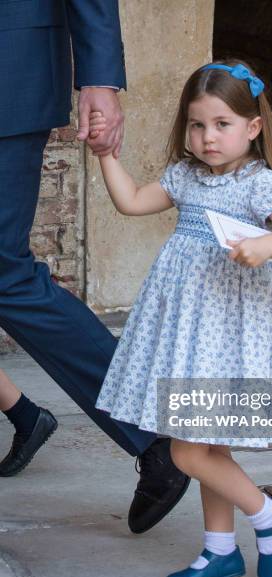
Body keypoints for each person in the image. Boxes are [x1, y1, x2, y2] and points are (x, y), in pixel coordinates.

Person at [90, 58, 272, 577]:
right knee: (210, 446)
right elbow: (132, 202)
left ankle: (268, 516)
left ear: (252, 128)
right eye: (197, 125)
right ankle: (220, 552)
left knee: (187, 449)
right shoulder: (186, 177)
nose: (208, 137)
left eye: (222, 124)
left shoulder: (261, 185)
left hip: (230, 333)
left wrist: (265, 244)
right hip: (188, 331)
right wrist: (106, 156)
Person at [0, 0, 190, 534]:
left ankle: (154, 435)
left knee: (4, 275)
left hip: (9, 68)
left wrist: (100, 79)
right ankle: (24, 415)